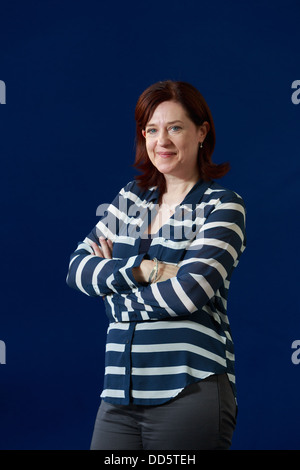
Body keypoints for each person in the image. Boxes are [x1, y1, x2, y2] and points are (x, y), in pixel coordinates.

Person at [66, 80, 246, 450]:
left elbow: (188, 293)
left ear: (201, 132)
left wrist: (113, 297)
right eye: (151, 129)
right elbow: (77, 269)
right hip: (118, 393)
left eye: (174, 127)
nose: (161, 140)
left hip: (189, 387)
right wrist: (144, 270)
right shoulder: (131, 199)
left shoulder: (223, 205)